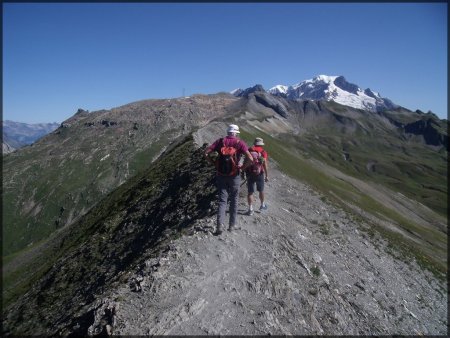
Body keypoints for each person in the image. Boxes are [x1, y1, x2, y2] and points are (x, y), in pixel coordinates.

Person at [205, 124, 253, 235]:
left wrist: (213, 164)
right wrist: (242, 168)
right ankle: (232, 225)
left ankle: (219, 226)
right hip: (235, 175)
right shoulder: (239, 143)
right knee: (234, 200)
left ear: (228, 132)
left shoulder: (220, 141)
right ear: (236, 133)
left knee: (222, 200)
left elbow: (205, 153)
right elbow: (250, 158)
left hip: (221, 174)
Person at [245, 137, 269, 216]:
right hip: (260, 174)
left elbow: (245, 161)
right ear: (261, 144)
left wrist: (243, 170)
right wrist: (266, 175)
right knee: (261, 190)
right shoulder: (263, 152)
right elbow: (264, 164)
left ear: (254, 143)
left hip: (250, 173)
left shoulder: (249, 150)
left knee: (250, 192)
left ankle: (250, 209)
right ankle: (262, 205)